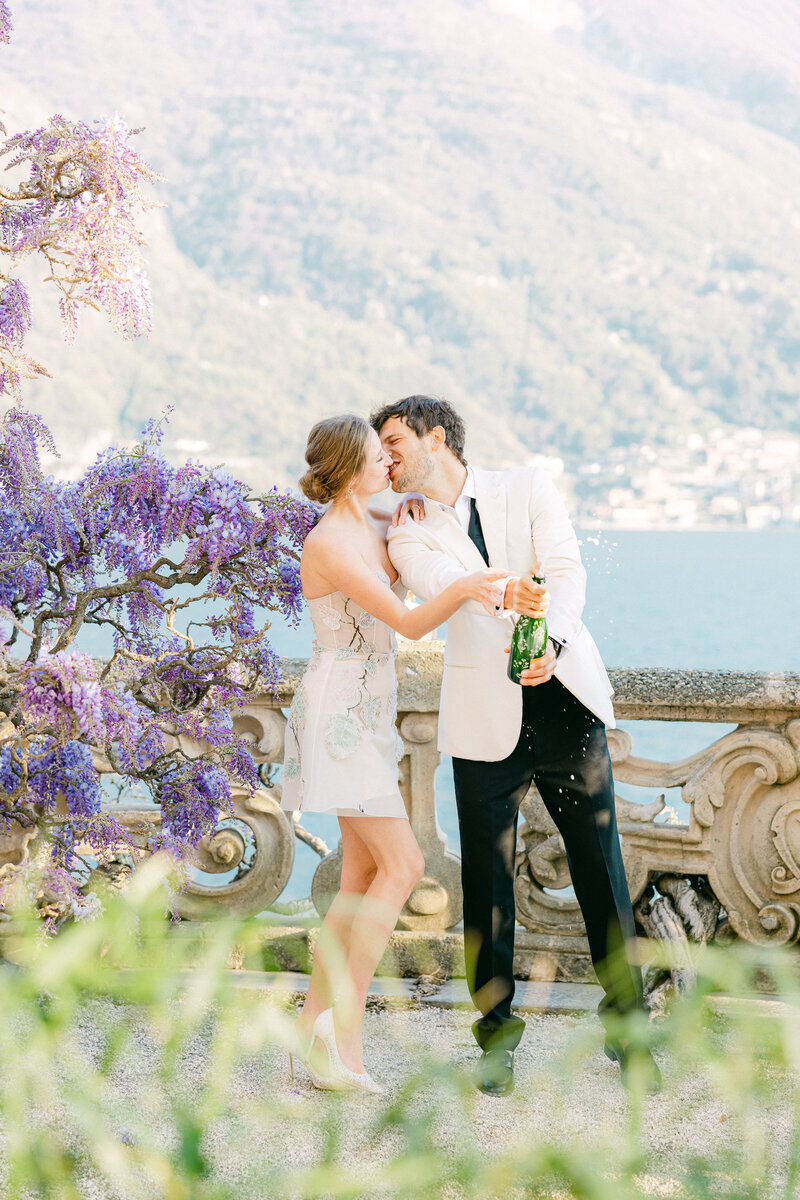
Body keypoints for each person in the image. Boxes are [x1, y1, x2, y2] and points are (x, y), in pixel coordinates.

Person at [371, 394, 659, 1096]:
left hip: (565, 706)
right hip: (481, 721)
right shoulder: (407, 533)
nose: (388, 456)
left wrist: (551, 643)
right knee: (488, 889)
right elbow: (440, 585)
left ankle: (631, 1031)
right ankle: (495, 1040)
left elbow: (566, 570)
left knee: (602, 876)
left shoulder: (526, 485)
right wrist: (505, 596)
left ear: (438, 436)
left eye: (396, 440)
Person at [281, 413, 509, 1093]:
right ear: (350, 466)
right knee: (404, 865)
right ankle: (340, 1040)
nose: (388, 462)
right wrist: (466, 586)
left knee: (357, 881)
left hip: (370, 713)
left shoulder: (379, 524)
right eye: (377, 455)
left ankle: (308, 1039)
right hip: (337, 717)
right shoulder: (328, 543)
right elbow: (407, 621)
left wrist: (415, 518)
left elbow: (411, 555)